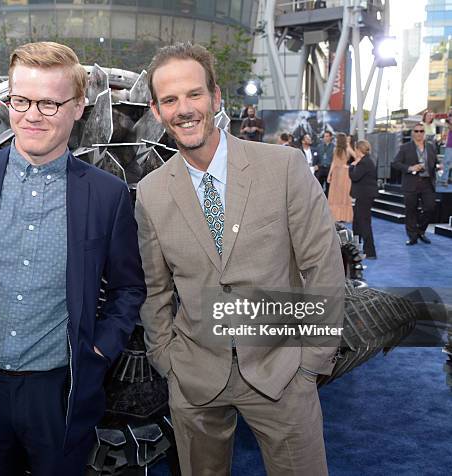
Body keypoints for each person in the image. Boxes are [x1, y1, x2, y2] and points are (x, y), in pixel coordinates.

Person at [0, 41, 146, 476]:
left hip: (59, 394)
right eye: (21, 100)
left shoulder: (106, 195)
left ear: (78, 107)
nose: (32, 115)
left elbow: (128, 287)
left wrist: (98, 353)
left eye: (50, 103)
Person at [136, 42, 345, 476]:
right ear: (156, 112)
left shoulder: (284, 168)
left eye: (194, 94)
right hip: (195, 379)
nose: (183, 109)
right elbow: (154, 289)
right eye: (170, 100)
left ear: (216, 98)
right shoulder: (152, 192)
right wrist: (167, 362)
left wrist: (311, 363)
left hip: (282, 372)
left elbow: (322, 268)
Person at [392, 122, 438, 245]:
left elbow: (434, 163)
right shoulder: (405, 147)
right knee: (410, 210)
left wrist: (437, 167)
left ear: (424, 133)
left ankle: (421, 231)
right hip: (411, 183)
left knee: (430, 207)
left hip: (427, 182)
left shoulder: (431, 147)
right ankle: (412, 236)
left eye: (421, 131)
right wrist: (410, 168)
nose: (419, 133)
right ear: (413, 133)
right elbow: (395, 163)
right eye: (416, 131)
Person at [349, 140, 379, 259]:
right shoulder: (367, 160)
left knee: (364, 222)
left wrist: (351, 167)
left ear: (358, 149)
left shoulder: (364, 163)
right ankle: (356, 246)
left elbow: (354, 176)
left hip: (364, 196)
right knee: (357, 221)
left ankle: (370, 251)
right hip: (364, 195)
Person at [327, 133, 353, 223]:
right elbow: (334, 162)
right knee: (338, 195)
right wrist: (329, 174)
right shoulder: (337, 149)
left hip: (342, 173)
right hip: (338, 174)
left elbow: (357, 157)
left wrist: (349, 166)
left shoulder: (347, 148)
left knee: (342, 194)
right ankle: (339, 217)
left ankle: (341, 216)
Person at [315, 130, 335, 194]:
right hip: (321, 168)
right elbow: (316, 158)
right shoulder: (319, 146)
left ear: (330, 137)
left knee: (328, 187)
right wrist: (316, 165)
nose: (325, 138)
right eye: (324, 136)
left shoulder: (334, 147)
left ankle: (327, 201)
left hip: (329, 169)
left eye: (327, 136)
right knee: (319, 187)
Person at [439, 109, 452, 187]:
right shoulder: (448, 121)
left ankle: (448, 179)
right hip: (450, 145)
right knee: (447, 162)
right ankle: (444, 180)